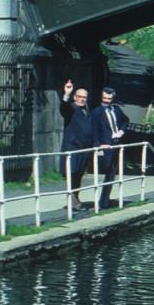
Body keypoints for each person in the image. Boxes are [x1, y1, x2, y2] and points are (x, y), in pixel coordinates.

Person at [59, 80, 94, 210]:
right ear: (75, 97)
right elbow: (64, 108)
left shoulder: (86, 111)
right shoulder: (71, 108)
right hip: (73, 148)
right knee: (71, 173)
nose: (82, 99)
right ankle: (72, 201)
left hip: (84, 150)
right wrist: (66, 94)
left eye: (84, 97)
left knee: (78, 174)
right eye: (80, 97)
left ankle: (76, 199)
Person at [91, 85, 128, 209]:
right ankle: (103, 201)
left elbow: (125, 120)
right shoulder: (96, 112)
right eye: (104, 98)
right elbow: (94, 130)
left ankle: (105, 200)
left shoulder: (116, 109)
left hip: (116, 143)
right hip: (106, 145)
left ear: (113, 99)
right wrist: (98, 145)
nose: (106, 101)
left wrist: (121, 132)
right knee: (107, 171)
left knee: (112, 173)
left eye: (109, 99)